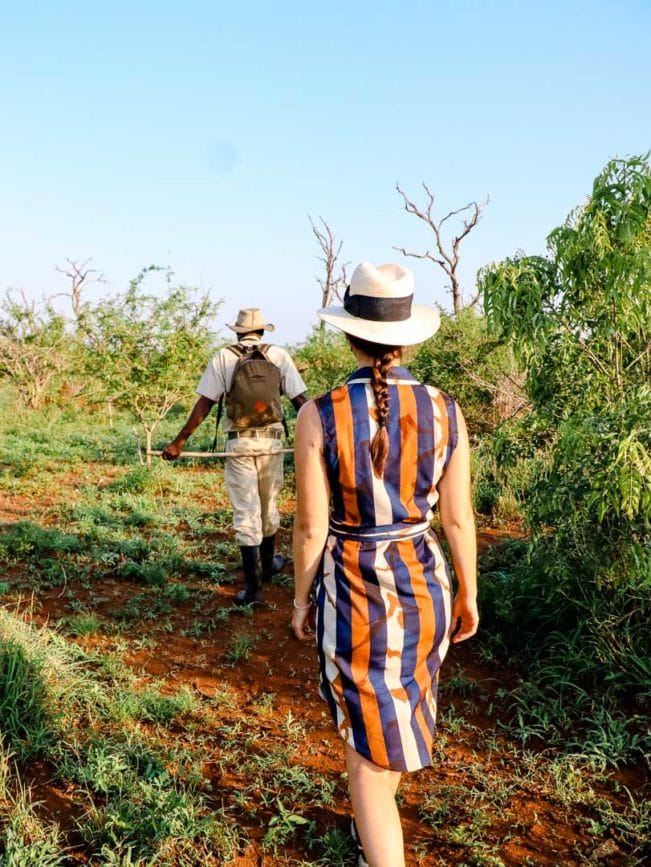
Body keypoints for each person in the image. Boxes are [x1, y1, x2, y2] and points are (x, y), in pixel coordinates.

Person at [291, 262, 478, 867]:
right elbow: (457, 521)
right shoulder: (447, 410)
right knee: (390, 717)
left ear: (350, 335)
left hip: (353, 588)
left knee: (370, 751)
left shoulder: (318, 414)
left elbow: (312, 526)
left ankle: (379, 844)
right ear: (407, 337)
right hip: (426, 583)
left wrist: (299, 599)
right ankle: (374, 827)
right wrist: (469, 592)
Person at [163, 307, 307, 604]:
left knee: (246, 511)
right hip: (273, 443)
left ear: (237, 332)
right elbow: (300, 402)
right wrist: (323, 436)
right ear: (263, 332)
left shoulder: (224, 357)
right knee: (269, 505)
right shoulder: (279, 356)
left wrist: (178, 442)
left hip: (239, 444)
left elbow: (204, 405)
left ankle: (254, 589)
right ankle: (268, 568)